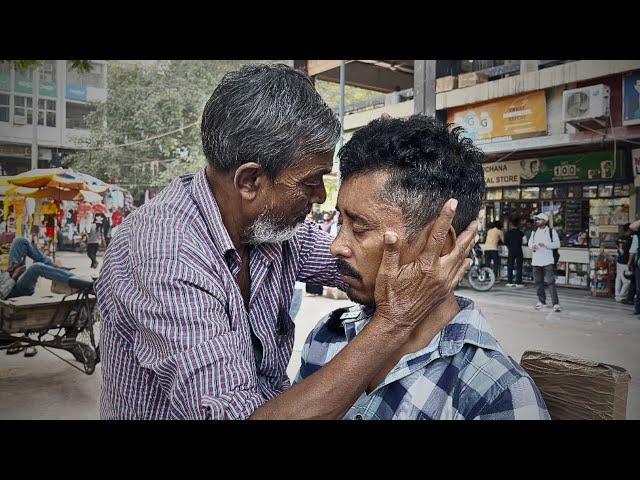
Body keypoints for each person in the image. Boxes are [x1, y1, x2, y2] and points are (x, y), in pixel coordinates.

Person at [96, 64, 477, 420]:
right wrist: (395, 321)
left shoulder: (270, 230)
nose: (320, 198)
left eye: (356, 225)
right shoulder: (166, 254)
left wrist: (420, 239)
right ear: (250, 182)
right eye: (311, 182)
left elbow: (359, 263)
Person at [295, 115, 549, 420]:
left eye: (360, 227)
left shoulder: (495, 394)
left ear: (440, 243)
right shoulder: (329, 335)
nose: (336, 245)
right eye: (341, 221)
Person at [0, 237, 83, 301]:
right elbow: (2, 294)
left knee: (19, 241)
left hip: (9, 277)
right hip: (13, 290)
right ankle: (79, 282)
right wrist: (14, 277)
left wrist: (8, 271)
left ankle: (51, 265)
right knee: (36, 267)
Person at [528, 212, 561, 311]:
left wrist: (545, 244)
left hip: (547, 261)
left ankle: (555, 304)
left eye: (539, 219)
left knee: (551, 282)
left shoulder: (551, 231)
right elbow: (530, 243)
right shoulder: (534, 232)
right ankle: (541, 301)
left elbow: (557, 244)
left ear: (545, 221)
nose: (537, 221)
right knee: (538, 282)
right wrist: (532, 246)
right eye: (536, 220)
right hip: (536, 261)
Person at [505, 218, 525, 287]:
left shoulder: (508, 233)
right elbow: (525, 242)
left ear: (511, 225)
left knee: (510, 266)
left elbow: (506, 242)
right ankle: (518, 282)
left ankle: (510, 282)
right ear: (518, 225)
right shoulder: (521, 233)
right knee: (519, 266)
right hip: (519, 250)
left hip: (511, 251)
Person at [615, 225, 633, 302]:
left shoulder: (619, 238)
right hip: (625, 262)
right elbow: (631, 252)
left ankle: (617, 295)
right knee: (627, 281)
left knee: (618, 279)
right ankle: (622, 296)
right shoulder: (630, 239)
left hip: (619, 261)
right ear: (629, 229)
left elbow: (617, 248)